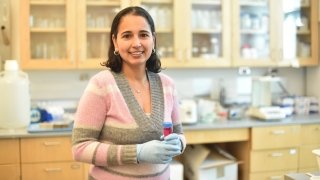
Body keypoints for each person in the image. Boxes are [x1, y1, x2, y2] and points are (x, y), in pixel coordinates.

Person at [72, 6, 186, 180]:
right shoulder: (101, 85)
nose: (137, 43)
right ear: (115, 42)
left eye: (143, 34)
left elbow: (179, 134)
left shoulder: (167, 85)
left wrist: (178, 143)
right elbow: (80, 148)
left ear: (153, 40)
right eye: (127, 36)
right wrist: (137, 153)